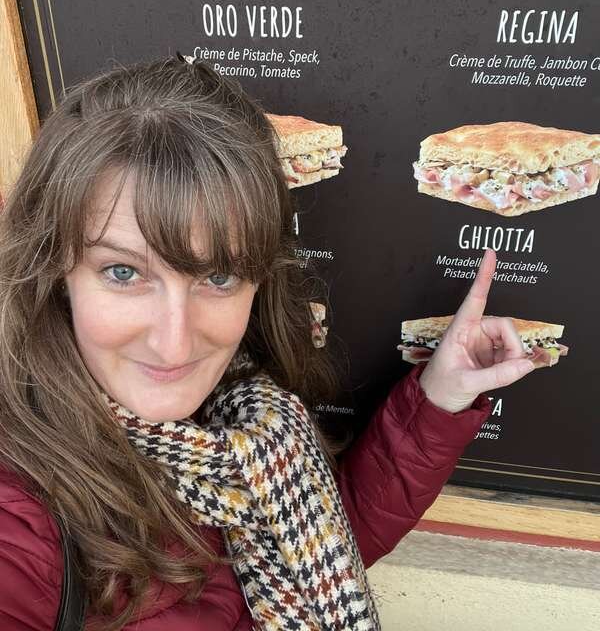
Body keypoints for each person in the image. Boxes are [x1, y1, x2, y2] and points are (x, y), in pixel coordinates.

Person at [0, 57, 536, 631]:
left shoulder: (247, 414)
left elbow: (314, 550)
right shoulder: (22, 525)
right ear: (55, 270)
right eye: (123, 273)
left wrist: (438, 399)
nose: (174, 343)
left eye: (218, 276)